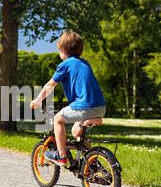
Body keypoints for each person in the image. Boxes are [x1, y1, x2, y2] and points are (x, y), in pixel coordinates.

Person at [30, 30, 106, 166]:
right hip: (100, 107)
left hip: (84, 106)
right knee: (76, 131)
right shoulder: (85, 63)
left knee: (58, 120)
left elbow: (49, 85)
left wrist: (37, 100)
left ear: (63, 50)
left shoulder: (65, 65)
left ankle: (61, 156)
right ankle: (93, 164)